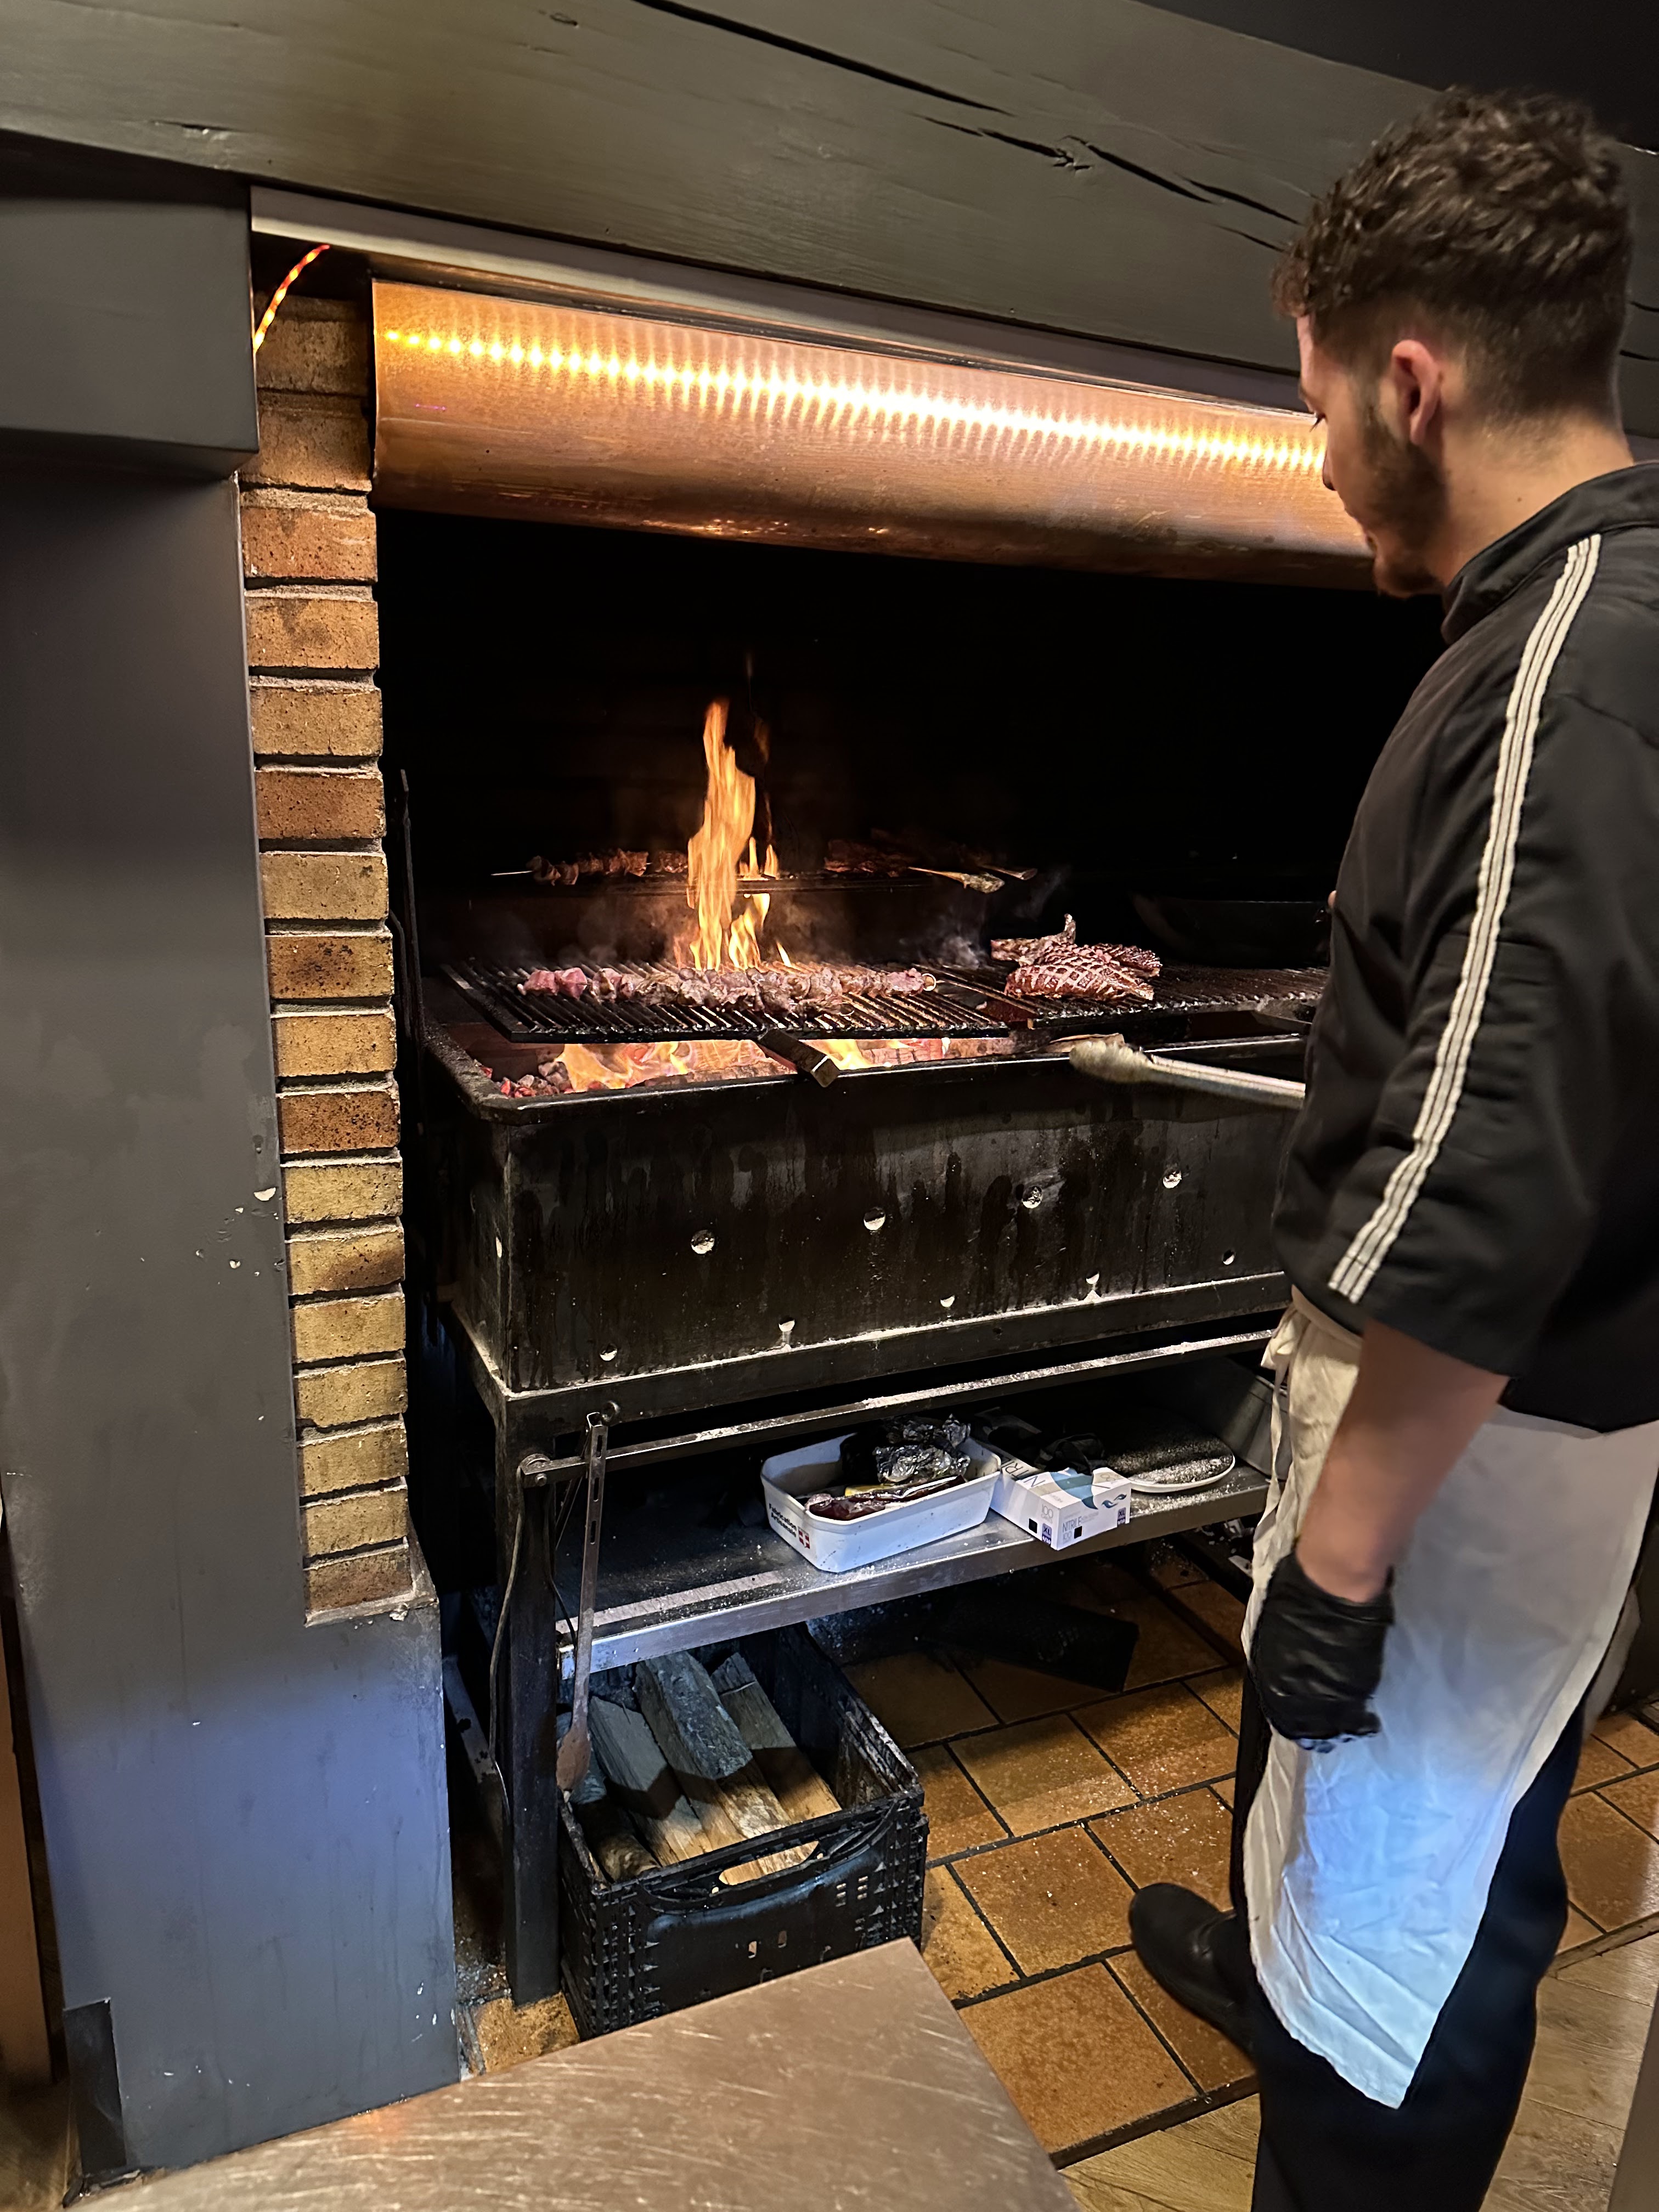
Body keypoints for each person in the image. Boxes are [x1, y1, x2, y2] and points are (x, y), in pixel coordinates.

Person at [1129, 88, 1659, 2211]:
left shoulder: (1567, 676)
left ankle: (1341, 2144)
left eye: (1319, 406)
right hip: (1496, 1419)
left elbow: (1488, 1171)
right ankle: (1281, 1990)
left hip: (1481, 1445)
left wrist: (1339, 1567)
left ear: (1412, 387)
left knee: (1414, 1923)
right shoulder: (1588, 618)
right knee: (1360, 1841)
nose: (1320, 457)